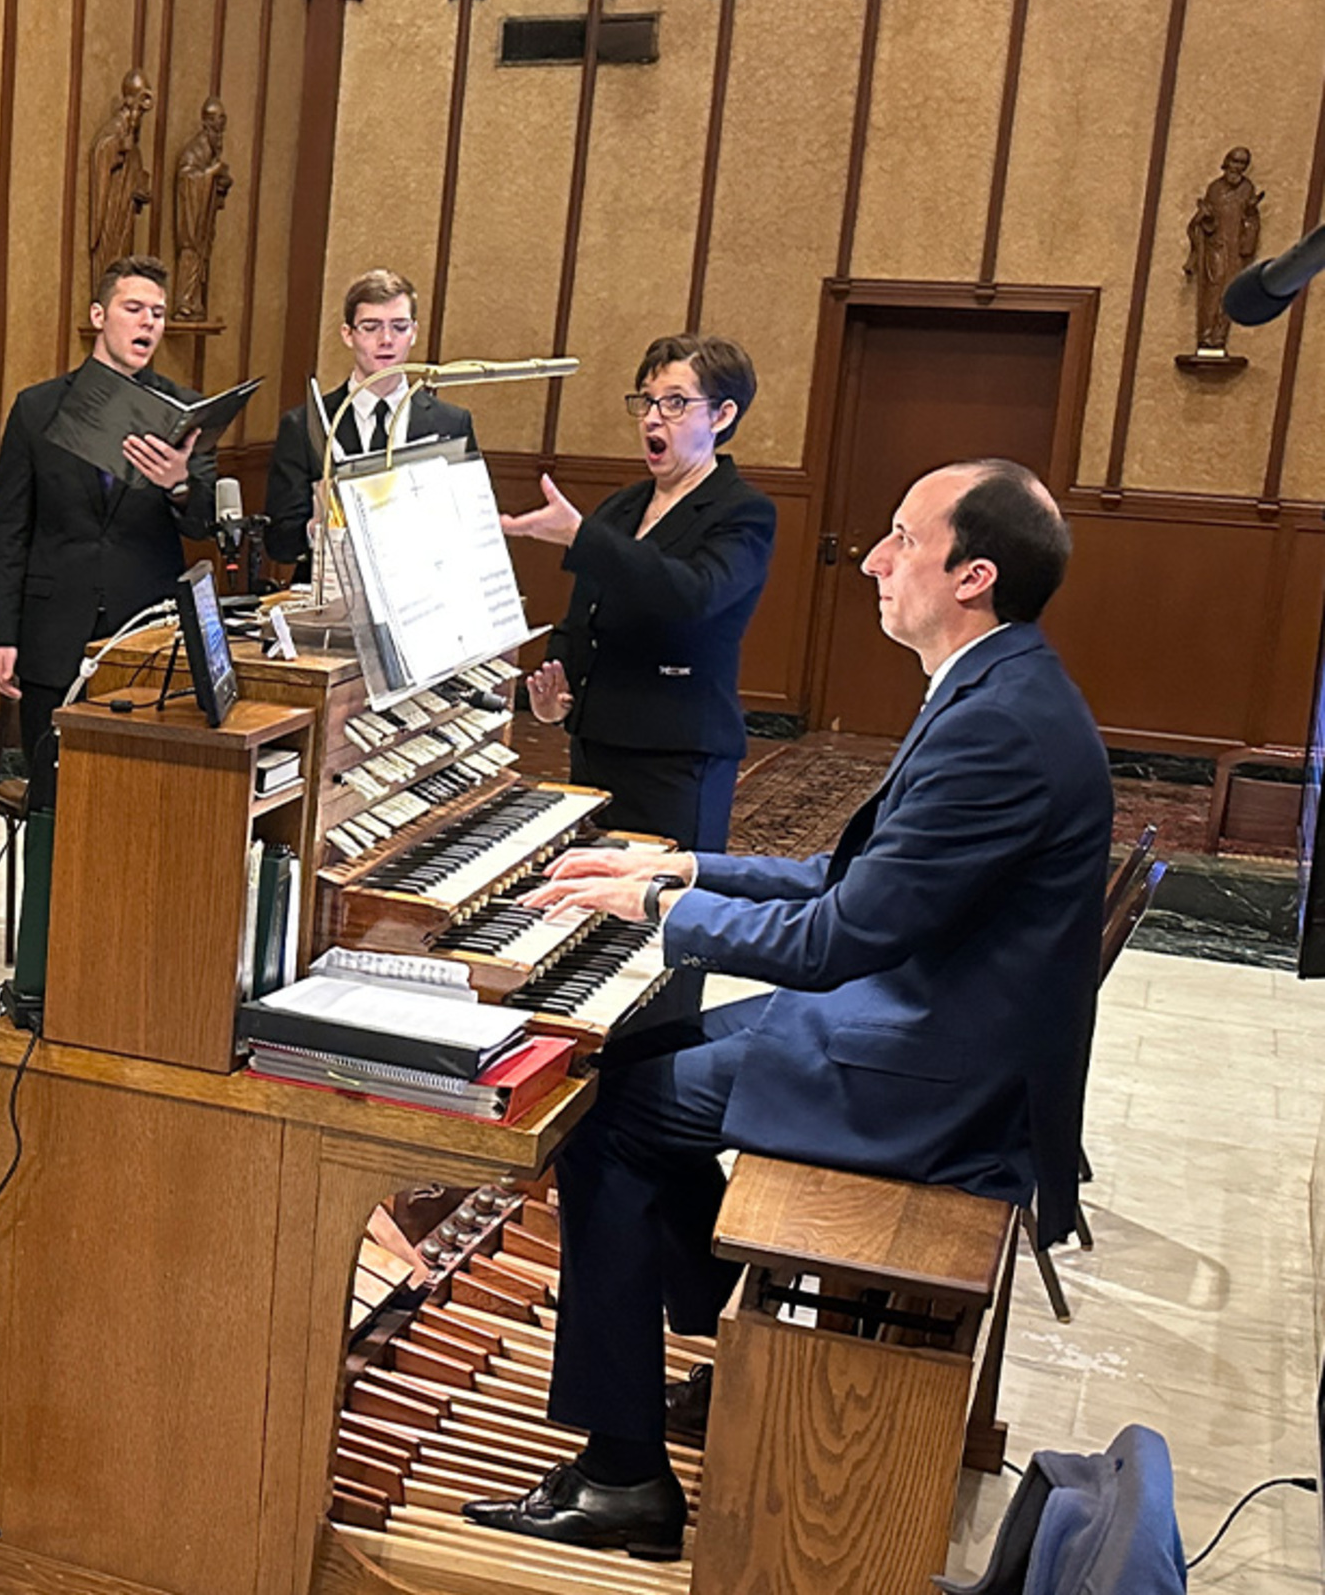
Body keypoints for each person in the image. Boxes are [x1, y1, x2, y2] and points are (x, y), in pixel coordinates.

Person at [464, 460, 1110, 1557]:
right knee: (634, 1060)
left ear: (974, 576)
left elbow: (835, 941)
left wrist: (656, 913)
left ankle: (622, 1475)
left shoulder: (997, 722)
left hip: (936, 1076)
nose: (873, 560)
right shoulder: (999, 686)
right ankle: (727, 1349)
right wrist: (679, 870)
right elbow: (847, 881)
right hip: (928, 1023)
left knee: (605, 1122)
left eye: (903, 539)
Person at [501, 334, 772, 852]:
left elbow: (693, 596)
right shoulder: (621, 508)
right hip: (597, 744)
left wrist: (582, 537)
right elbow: (582, 617)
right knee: (588, 887)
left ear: (721, 415)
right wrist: (556, 697)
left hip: (676, 757)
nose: (652, 418)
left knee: (660, 894)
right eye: (647, 401)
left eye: (675, 403)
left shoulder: (743, 512)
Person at [0, 253, 216, 808]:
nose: (148, 322)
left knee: (134, 803)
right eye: (133, 308)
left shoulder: (183, 409)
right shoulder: (38, 408)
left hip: (146, 634)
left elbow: (203, 522)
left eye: (158, 313)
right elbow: (7, 529)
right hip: (53, 631)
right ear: (97, 315)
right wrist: (1, 635)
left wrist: (179, 484)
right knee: (53, 799)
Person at [262, 269, 476, 576]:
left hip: (421, 587)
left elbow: (471, 526)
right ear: (347, 334)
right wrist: (318, 527)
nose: (386, 340)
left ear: (414, 332)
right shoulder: (303, 424)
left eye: (399, 327)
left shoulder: (452, 424)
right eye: (371, 327)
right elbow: (279, 543)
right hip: (332, 589)